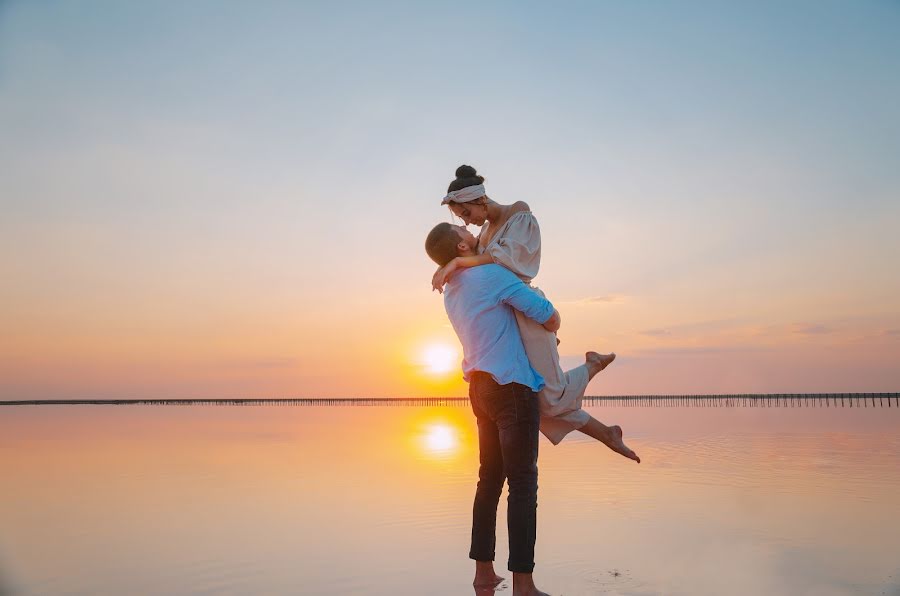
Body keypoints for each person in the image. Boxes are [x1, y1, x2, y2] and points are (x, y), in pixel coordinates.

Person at [432, 165, 639, 462]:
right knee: (540, 400)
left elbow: (511, 261)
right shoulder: (484, 235)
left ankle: (592, 369)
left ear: (480, 199)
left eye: (466, 214)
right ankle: (607, 432)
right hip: (509, 316)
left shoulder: (519, 212)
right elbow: (480, 266)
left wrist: (460, 263)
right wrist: (453, 262)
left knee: (551, 396)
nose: (469, 222)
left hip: (526, 307)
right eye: (462, 219)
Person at [426, 222, 554, 596]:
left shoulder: (452, 289)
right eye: (461, 226)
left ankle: (484, 574)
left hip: (480, 389)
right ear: (464, 244)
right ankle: (524, 585)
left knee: (489, 483)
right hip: (511, 385)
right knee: (523, 486)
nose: (469, 226)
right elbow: (546, 313)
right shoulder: (490, 275)